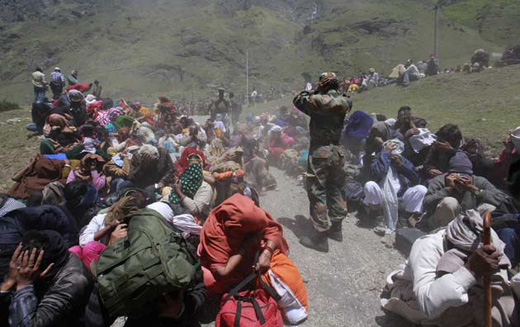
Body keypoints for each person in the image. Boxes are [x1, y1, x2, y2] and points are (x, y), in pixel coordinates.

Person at [381, 210, 517, 326]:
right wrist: (471, 270)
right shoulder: (428, 245)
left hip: (468, 291)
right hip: (416, 292)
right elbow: (427, 304)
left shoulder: (492, 245)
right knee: (443, 310)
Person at [293, 72, 351, 252]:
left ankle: (320, 236)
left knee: (317, 189)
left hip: (320, 151)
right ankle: (337, 228)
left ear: (322, 85)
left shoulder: (315, 101)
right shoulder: (345, 101)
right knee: (337, 187)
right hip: (338, 151)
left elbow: (297, 99)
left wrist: (313, 90)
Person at [0, 230, 93, 327]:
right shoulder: (29, 270)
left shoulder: (73, 281)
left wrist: (24, 286)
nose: (22, 271)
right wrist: (8, 283)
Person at [423, 152, 509, 229]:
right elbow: (426, 204)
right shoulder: (440, 180)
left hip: (469, 221)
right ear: (449, 173)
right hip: (442, 222)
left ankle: (481, 237)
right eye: (457, 174)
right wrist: (448, 189)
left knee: (489, 207)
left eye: (465, 174)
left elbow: (503, 199)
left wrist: (474, 190)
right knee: (449, 202)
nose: (461, 178)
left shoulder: (478, 181)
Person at [362, 139, 428, 234]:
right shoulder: (378, 158)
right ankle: (377, 215)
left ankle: (403, 219)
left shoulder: (404, 161)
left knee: (421, 189)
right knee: (370, 185)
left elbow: (415, 178)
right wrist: (386, 155)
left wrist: (401, 166)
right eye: (391, 147)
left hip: (400, 197)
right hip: (382, 197)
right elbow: (377, 173)